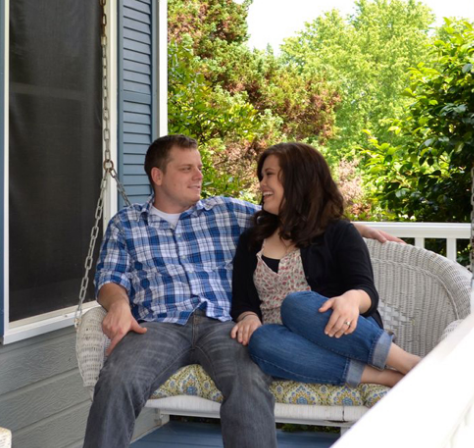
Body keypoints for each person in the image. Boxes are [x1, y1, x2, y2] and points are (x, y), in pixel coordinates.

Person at [84, 135, 397, 448]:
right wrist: (119, 306)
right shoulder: (126, 223)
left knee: (248, 382)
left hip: (224, 326)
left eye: (200, 167)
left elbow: (298, 212)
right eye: (187, 168)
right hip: (157, 325)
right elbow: (109, 279)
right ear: (158, 176)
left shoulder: (224, 211)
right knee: (116, 379)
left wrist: (358, 228)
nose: (199, 176)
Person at [230, 142, 421, 388]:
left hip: (342, 330)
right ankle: (385, 377)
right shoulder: (252, 240)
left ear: (297, 179)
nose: (261, 184)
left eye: (269, 175)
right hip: (289, 346)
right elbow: (243, 300)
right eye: (262, 176)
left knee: (296, 304)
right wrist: (248, 317)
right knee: (260, 339)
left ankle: (408, 362)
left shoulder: (338, 231)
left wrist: (351, 300)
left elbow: (365, 290)